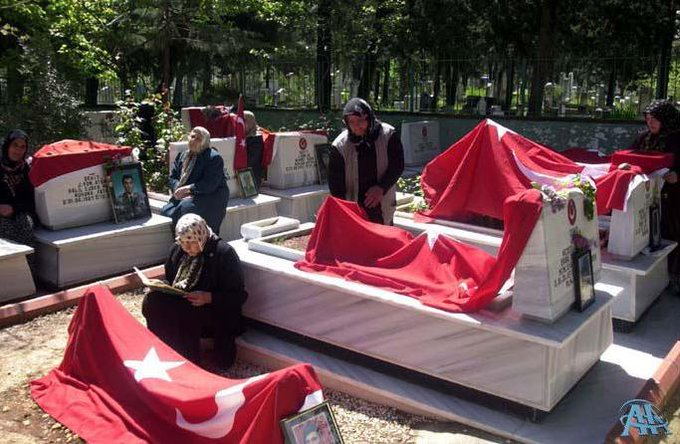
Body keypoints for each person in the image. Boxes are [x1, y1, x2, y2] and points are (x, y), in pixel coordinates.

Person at [142, 213, 247, 368]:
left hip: (215, 310)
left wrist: (208, 297)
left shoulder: (223, 253)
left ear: (201, 236)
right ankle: (162, 351)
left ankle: (189, 363)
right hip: (185, 301)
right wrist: (159, 286)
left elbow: (238, 297)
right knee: (152, 301)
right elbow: (172, 280)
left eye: (191, 242)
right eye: (182, 242)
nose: (186, 247)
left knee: (185, 312)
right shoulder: (178, 250)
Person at [629, 100, 680, 293]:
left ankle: (675, 276)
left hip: (673, 196)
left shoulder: (677, 139)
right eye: (648, 119)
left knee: (672, 233)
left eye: (655, 119)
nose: (650, 123)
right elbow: (630, 157)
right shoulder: (644, 138)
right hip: (647, 195)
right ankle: (655, 278)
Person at [328, 98, 404, 225]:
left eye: (360, 120)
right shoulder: (339, 147)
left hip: (382, 201)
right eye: (351, 122)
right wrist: (344, 212)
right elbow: (336, 186)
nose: (356, 126)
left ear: (369, 117)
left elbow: (397, 165)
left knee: (383, 239)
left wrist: (381, 188)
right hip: (354, 205)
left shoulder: (388, 135)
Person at [162, 126, 229, 234]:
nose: (193, 140)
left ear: (204, 142)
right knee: (166, 211)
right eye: (192, 136)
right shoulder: (182, 156)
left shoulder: (213, 158)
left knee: (186, 210)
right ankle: (181, 243)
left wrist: (189, 189)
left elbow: (210, 184)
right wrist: (178, 190)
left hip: (210, 196)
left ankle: (197, 243)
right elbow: (172, 177)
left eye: (198, 139)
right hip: (185, 194)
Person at [0, 130, 36, 246]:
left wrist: (13, 208)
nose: (18, 150)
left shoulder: (26, 169)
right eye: (15, 145)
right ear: (7, 146)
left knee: (26, 226)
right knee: (6, 228)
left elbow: (31, 200)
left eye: (22, 147)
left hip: (19, 212)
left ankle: (30, 264)